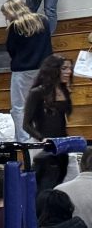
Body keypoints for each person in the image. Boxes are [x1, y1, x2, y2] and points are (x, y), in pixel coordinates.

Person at [4, 0, 56, 144]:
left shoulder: (15, 26)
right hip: (44, 68)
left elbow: (11, 49)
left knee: (19, 107)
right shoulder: (43, 20)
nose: (6, 17)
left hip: (23, 70)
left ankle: (24, 140)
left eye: (6, 14)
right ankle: (46, 136)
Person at [25, 56, 76, 191]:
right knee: (45, 185)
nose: (69, 72)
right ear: (53, 70)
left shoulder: (65, 92)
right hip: (43, 145)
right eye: (64, 68)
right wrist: (43, 139)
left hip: (62, 145)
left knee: (64, 182)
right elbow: (26, 124)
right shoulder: (37, 93)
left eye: (70, 68)